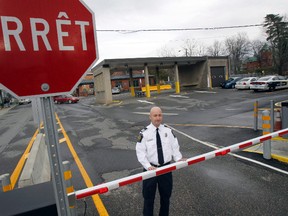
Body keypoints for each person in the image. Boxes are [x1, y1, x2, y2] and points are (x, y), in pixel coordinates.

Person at [136, 106, 186, 216]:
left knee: (166, 197)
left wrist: (178, 158)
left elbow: (174, 146)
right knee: (148, 198)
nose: (158, 118)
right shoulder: (144, 133)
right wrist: (148, 166)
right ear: (150, 117)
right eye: (155, 115)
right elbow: (140, 152)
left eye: (160, 115)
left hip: (166, 169)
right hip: (150, 170)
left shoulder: (168, 131)